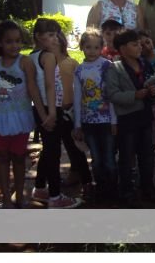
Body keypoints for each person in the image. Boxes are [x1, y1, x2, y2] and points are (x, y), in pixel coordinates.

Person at [0, 20, 49, 208]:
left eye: (18, 41)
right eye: (9, 41)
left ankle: (19, 195)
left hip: (20, 117)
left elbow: (33, 89)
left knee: (19, 158)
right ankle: (6, 198)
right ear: (0, 43)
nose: (15, 45)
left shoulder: (25, 62)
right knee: (2, 157)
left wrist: (44, 116)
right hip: (0, 119)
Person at [29, 18, 82, 208]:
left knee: (48, 150)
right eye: (50, 35)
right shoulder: (48, 56)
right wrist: (51, 113)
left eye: (56, 34)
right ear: (38, 36)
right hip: (52, 108)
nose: (54, 39)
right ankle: (55, 196)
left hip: (40, 108)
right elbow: (50, 86)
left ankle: (40, 187)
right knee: (54, 154)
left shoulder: (32, 56)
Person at [105, 29, 155, 206]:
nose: (140, 47)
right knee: (127, 157)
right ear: (122, 48)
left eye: (140, 44)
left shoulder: (145, 64)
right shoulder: (115, 68)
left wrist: (154, 91)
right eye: (135, 44)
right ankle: (127, 191)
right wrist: (134, 95)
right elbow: (112, 94)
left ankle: (147, 187)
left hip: (145, 117)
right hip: (127, 119)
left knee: (147, 155)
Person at [72, 28, 118, 202]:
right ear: (82, 47)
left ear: (102, 48)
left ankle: (113, 193)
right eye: (88, 47)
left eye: (96, 47)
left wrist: (114, 120)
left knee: (109, 160)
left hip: (107, 121)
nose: (92, 51)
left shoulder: (107, 65)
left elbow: (111, 95)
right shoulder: (79, 70)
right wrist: (77, 124)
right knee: (97, 160)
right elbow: (77, 98)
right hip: (88, 122)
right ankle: (101, 192)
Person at [53, 31, 93, 199]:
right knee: (55, 149)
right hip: (53, 112)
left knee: (76, 148)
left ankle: (87, 182)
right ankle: (66, 178)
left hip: (70, 112)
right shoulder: (44, 63)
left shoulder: (72, 63)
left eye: (56, 42)